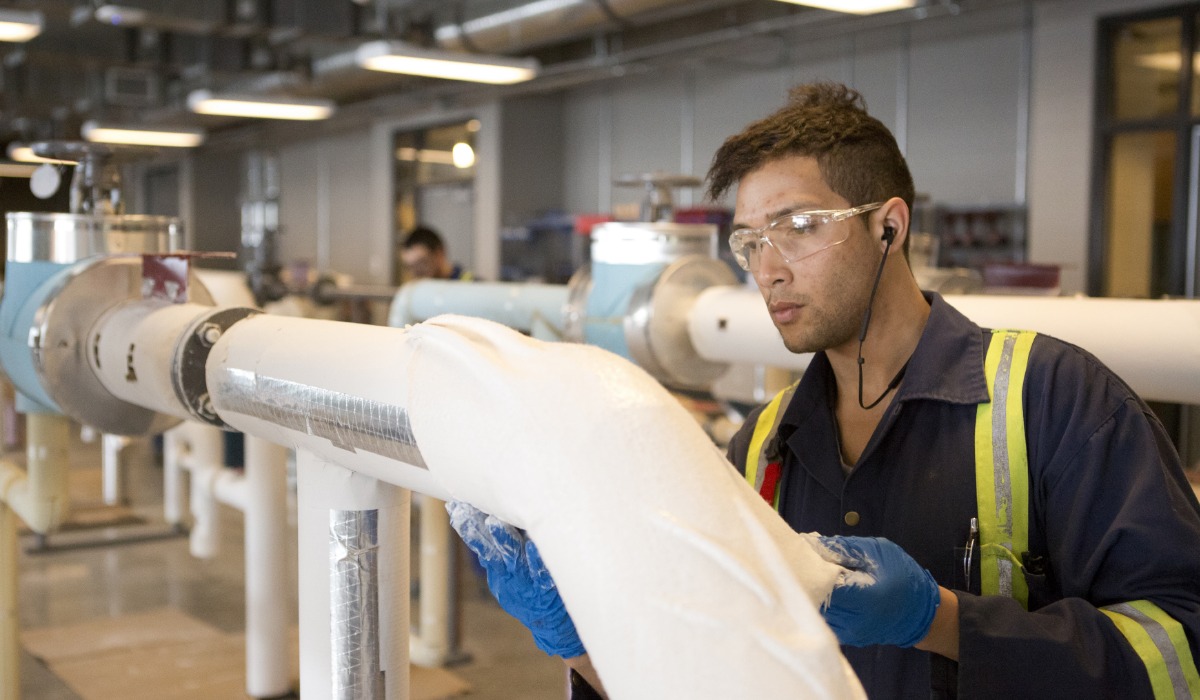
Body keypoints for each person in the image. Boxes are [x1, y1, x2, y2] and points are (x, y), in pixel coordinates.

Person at [451, 82, 1200, 699]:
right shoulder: (761, 450)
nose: (767, 268)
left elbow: (1183, 651)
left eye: (799, 226)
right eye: (749, 241)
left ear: (889, 227)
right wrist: (586, 642)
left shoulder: (1056, 402)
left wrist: (938, 620)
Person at [399, 225, 473, 281]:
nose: (415, 273)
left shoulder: (472, 286)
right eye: (409, 267)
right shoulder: (420, 292)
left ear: (439, 253)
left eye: (421, 264)